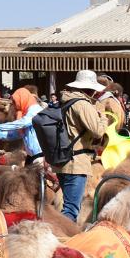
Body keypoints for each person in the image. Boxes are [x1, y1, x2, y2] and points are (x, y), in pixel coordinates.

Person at [53, 70, 107, 222]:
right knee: (71, 210)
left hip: (62, 160)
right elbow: (98, 132)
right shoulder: (82, 104)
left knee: (67, 205)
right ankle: (63, 235)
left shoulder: (65, 101)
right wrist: (103, 117)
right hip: (76, 163)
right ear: (90, 89)